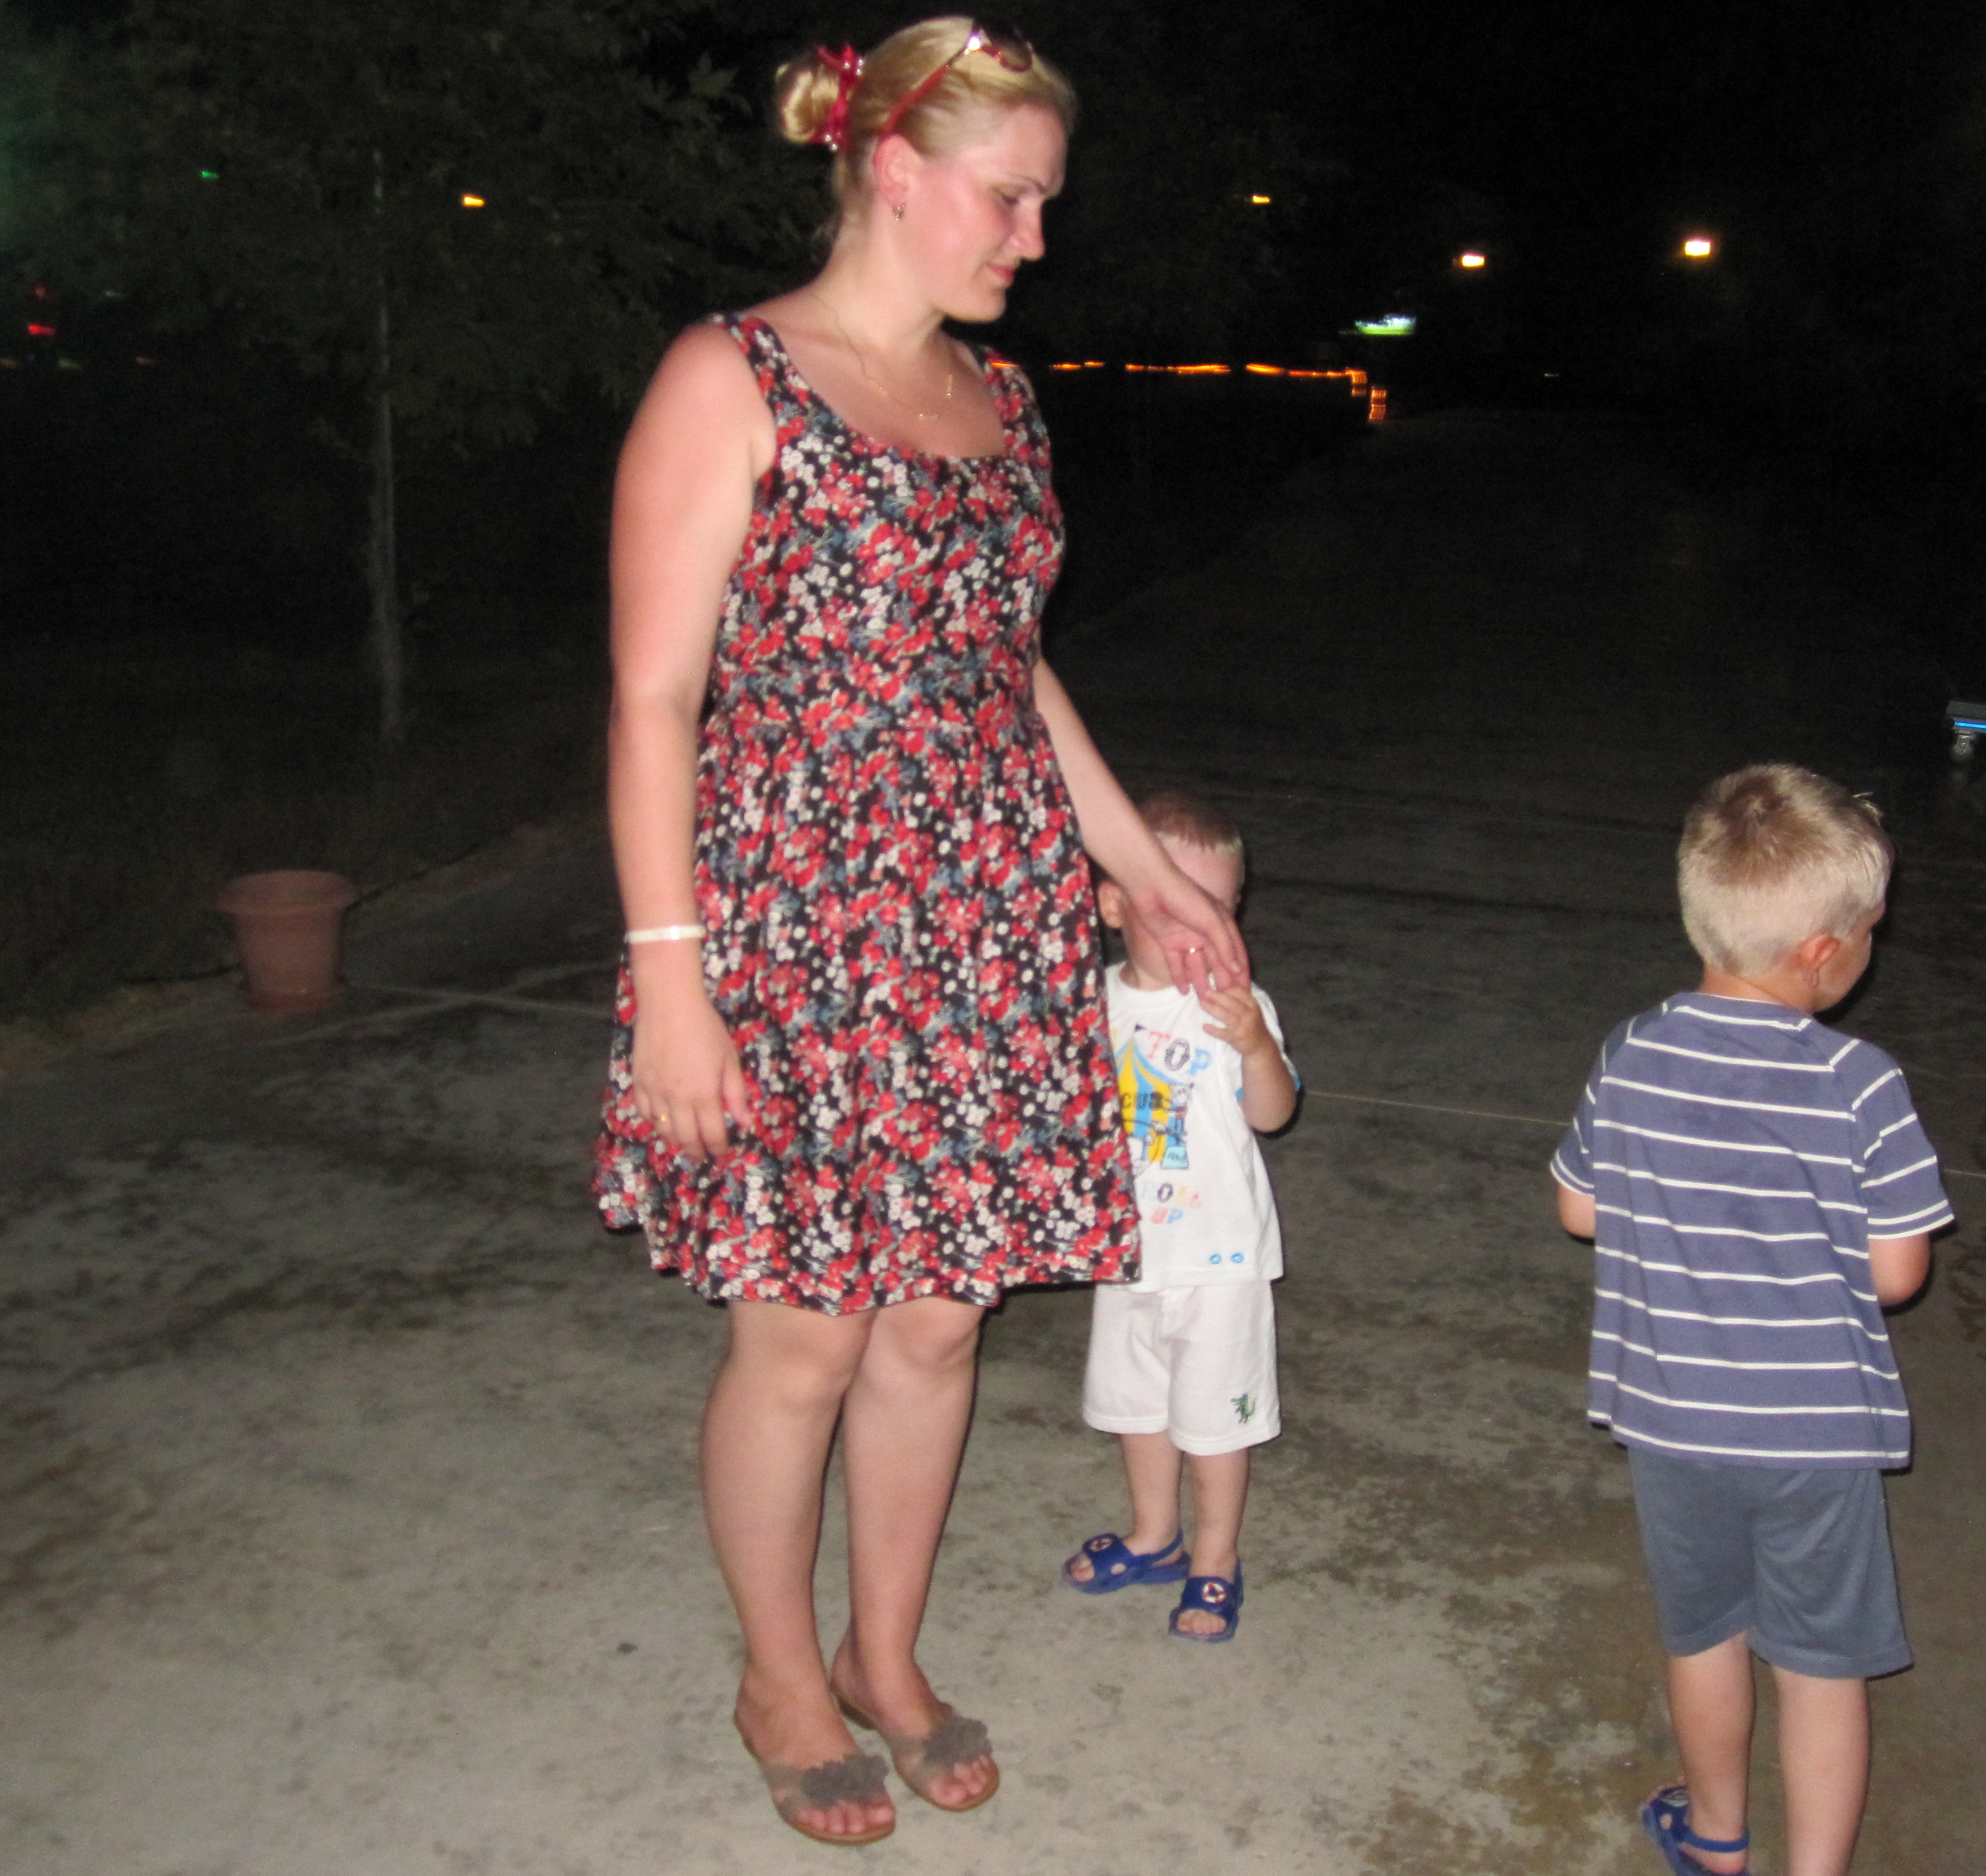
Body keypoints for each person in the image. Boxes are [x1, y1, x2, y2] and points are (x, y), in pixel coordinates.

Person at [591, 16, 1249, 1851]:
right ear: (893, 168)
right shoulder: (731, 376)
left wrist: (1139, 868)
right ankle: (777, 1676)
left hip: (986, 924)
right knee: (802, 1339)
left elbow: (1008, 666)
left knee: (942, 1329)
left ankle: (882, 1653)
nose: (1035, 238)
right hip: (792, 932)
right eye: (1011, 197)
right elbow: (650, 701)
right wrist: (672, 988)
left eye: (1044, 204)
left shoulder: (1001, 402)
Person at [1550, 765, 1952, 1876]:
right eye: (1871, 930)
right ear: (1822, 952)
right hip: (1813, 1435)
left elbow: (1579, 1209)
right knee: (1822, 1666)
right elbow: (1898, 1274)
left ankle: (1718, 1837)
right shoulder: (1862, 1084)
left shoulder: (1633, 1051)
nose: (1875, 945)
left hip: (1675, 1423)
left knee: (1705, 1636)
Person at [1060, 790, 1296, 1643]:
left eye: (1220, 910)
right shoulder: (1091, 1002)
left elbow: (1273, 1114)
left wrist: (1256, 1048)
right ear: (1113, 904)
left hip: (1219, 1260)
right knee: (1139, 1407)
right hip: (1127, 1255)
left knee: (1214, 1421)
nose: (1200, 931)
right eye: (1176, 907)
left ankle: (1215, 1557)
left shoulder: (1235, 1005)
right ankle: (1155, 1535)